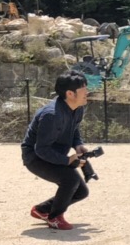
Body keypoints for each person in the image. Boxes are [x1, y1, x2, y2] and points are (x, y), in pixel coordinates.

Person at [21, 70, 93, 230]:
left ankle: (42, 210)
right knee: (70, 180)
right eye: (84, 89)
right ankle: (55, 217)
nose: (87, 92)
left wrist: (78, 145)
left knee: (81, 192)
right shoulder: (51, 115)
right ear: (70, 94)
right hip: (35, 157)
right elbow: (41, 149)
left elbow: (73, 129)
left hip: (54, 154)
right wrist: (67, 160)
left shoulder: (77, 108)